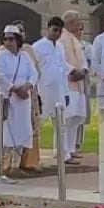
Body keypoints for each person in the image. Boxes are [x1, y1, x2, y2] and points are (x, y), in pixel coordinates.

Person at [0, 25, 39, 171]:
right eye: (6, 39)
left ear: (17, 40)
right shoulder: (1, 56)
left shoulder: (24, 56)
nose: (8, 42)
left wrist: (26, 87)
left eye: (11, 39)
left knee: (23, 129)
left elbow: (34, 73)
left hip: (23, 99)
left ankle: (17, 164)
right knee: (7, 131)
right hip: (8, 98)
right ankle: (4, 165)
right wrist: (14, 89)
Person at [50, 11, 90, 164]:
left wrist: (84, 70)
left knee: (75, 118)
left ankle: (71, 149)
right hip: (68, 83)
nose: (79, 24)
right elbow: (59, 60)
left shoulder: (75, 39)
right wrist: (73, 71)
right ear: (70, 22)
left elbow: (82, 59)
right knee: (65, 119)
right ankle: (62, 151)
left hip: (79, 84)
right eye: (77, 21)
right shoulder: (60, 38)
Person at [33, 17, 69, 154]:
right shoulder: (37, 47)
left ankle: (62, 154)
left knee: (61, 124)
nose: (57, 34)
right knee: (38, 122)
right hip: (43, 90)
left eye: (59, 31)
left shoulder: (60, 47)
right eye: (54, 30)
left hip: (59, 90)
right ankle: (32, 155)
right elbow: (34, 70)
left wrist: (66, 93)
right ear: (48, 29)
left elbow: (63, 70)